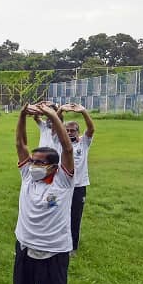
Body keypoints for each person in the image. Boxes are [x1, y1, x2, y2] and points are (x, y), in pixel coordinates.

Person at [12, 102, 75, 284]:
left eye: (40, 163)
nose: (34, 165)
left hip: (53, 252)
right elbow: (19, 143)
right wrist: (22, 116)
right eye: (33, 161)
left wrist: (51, 115)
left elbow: (68, 147)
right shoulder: (28, 177)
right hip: (24, 247)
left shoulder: (63, 181)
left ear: (53, 167)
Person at [38, 102, 96, 253]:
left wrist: (83, 111)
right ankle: (50, 240)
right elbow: (56, 126)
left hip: (78, 187)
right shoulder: (59, 142)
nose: (70, 132)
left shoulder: (84, 143)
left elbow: (91, 129)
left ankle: (72, 248)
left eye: (73, 130)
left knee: (75, 217)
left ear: (78, 132)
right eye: (67, 130)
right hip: (60, 186)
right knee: (53, 211)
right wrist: (60, 110)